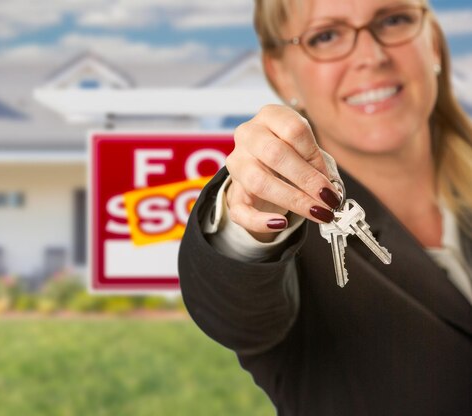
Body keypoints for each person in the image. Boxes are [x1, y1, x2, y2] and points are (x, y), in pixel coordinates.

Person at [178, 0, 472, 414]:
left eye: (393, 20)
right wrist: (247, 222)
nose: (371, 57)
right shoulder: (296, 247)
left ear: (434, 45)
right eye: (326, 36)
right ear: (280, 73)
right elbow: (232, 310)